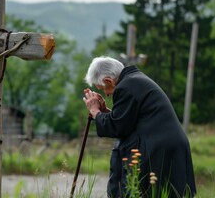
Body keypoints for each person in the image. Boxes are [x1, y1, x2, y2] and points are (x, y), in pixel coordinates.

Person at [82, 56, 196, 198]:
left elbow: (118, 127)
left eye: (104, 89)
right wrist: (104, 113)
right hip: (167, 143)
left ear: (108, 81)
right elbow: (127, 121)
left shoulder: (125, 87)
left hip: (159, 147)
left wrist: (95, 111)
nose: (107, 94)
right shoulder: (133, 80)